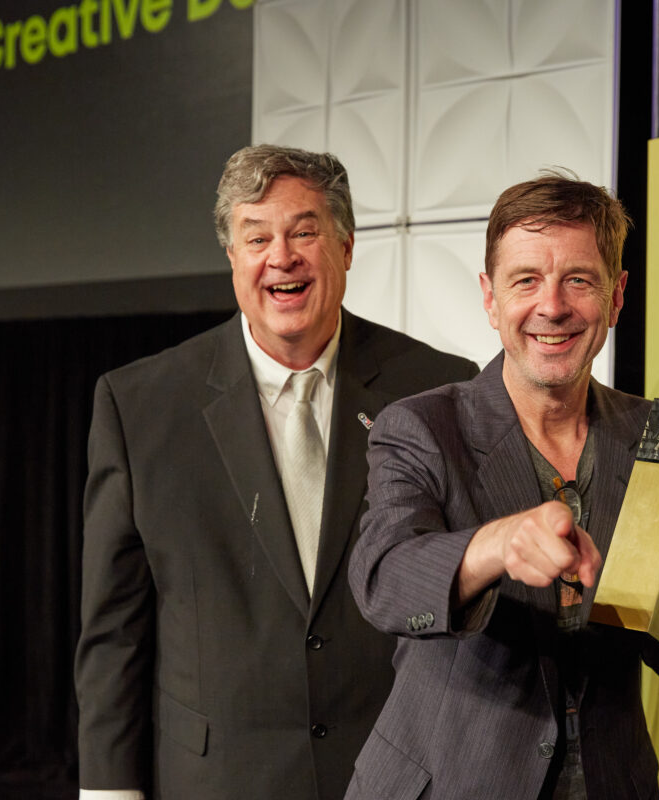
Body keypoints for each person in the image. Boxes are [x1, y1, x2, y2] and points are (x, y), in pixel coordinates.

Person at [73, 145, 477, 800]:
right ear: (232, 257)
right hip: (216, 780)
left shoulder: (437, 389)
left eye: (304, 232)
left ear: (346, 247)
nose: (280, 257)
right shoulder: (140, 406)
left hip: (400, 775)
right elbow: (114, 635)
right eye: (255, 237)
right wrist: (109, 793)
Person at [345, 172, 659, 799]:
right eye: (526, 280)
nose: (552, 306)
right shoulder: (419, 425)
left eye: (579, 280)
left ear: (617, 297)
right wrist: (497, 545)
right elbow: (384, 581)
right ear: (490, 298)